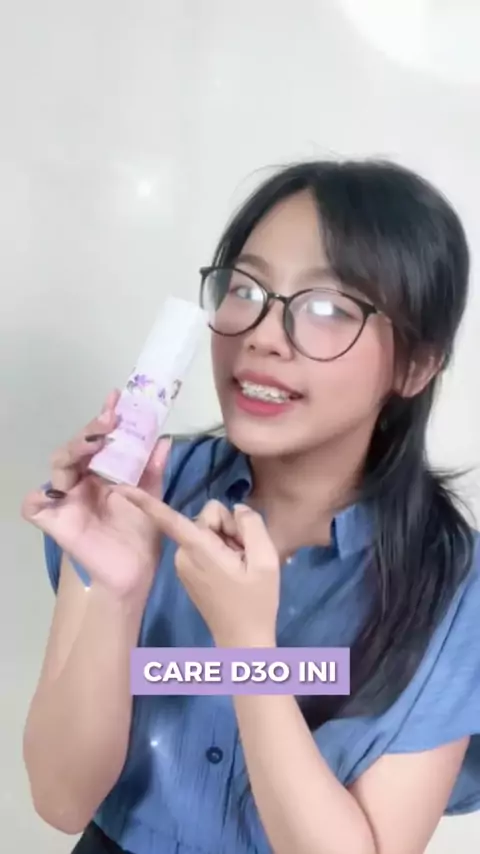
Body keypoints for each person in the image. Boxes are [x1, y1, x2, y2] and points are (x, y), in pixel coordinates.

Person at [21, 159, 480, 854]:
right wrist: (117, 592)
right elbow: (60, 799)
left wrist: (248, 651)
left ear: (415, 365)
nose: (262, 334)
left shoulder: (453, 587)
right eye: (245, 288)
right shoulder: (138, 489)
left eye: (328, 307)